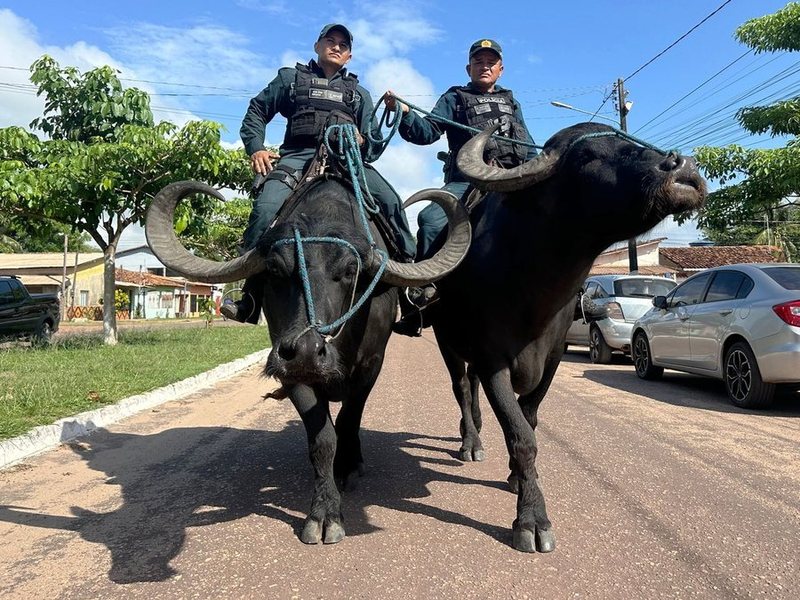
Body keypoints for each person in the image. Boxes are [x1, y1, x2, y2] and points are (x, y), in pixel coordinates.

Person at [222, 23, 416, 323]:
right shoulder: (290, 79)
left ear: (349, 56)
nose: (336, 46)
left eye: (342, 44)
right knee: (266, 208)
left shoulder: (359, 94)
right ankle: (250, 294)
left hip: (348, 162)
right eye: (330, 40)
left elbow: (373, 145)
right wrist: (256, 148)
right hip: (298, 158)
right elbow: (257, 112)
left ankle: (409, 288)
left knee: (390, 202)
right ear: (317, 46)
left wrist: (362, 141)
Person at [385, 38, 538, 336]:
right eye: (479, 61)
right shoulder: (454, 97)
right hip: (465, 182)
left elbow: (528, 148)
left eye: (490, 62)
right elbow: (427, 132)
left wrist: (539, 172)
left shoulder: (511, 102)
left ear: (500, 69)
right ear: (469, 67)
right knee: (429, 221)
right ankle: (422, 298)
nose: (485, 66)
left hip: (510, 179)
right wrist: (404, 112)